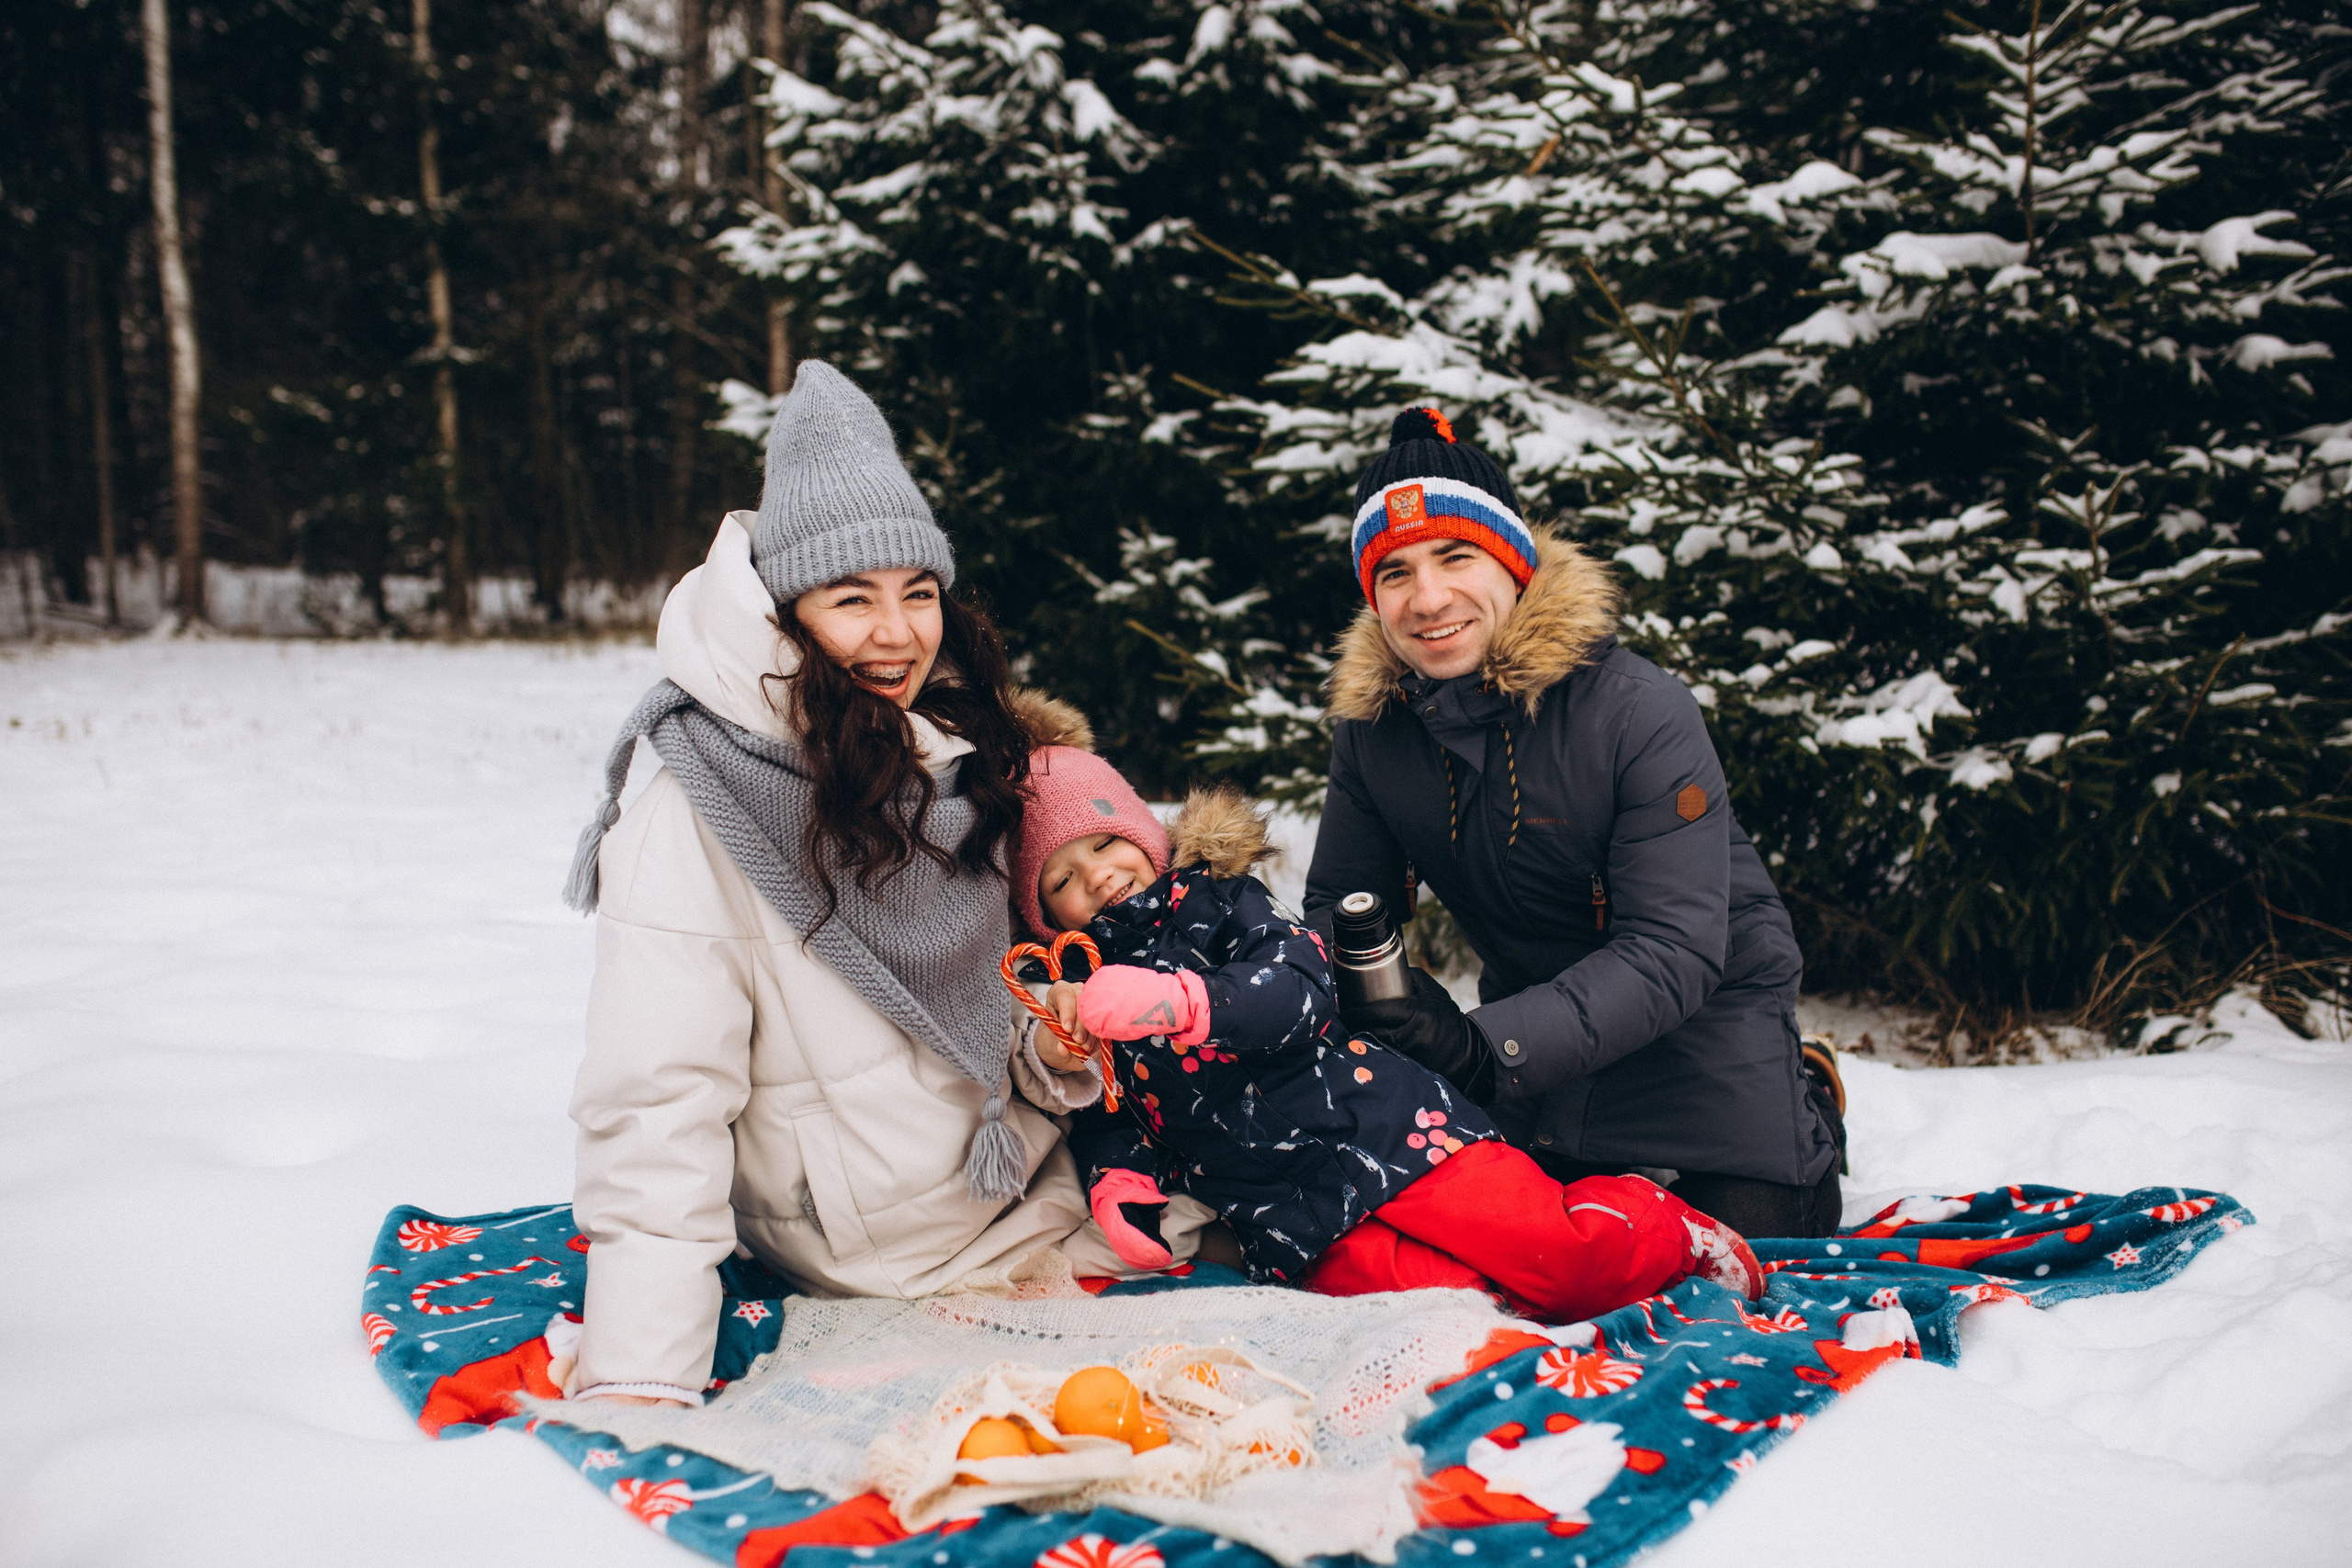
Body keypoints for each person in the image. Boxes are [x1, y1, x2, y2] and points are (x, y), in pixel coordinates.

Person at [555, 364, 1148, 1409]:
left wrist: (1045, 1047)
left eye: (918, 592)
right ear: (785, 612)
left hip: (1029, 1191)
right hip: (882, 1256)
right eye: (852, 598)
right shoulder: (701, 811)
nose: (898, 633)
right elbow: (656, 1106)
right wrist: (643, 1376)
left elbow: (960, 1002)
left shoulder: (944, 749)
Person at [1007, 712, 1767, 1324]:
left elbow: (1298, 988)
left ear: (1143, 831)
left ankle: (1663, 1225)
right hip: (1289, 1209)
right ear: (1042, 913)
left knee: (1557, 1256)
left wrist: (1186, 1002)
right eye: (1063, 878)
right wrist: (1120, 1181)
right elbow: (1108, 1105)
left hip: (1390, 1134)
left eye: (1105, 842)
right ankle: (1526, 1306)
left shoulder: (1217, 902)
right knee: (1449, 1304)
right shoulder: (1078, 992)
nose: (1097, 875)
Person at [1304, 406, 1846, 1239]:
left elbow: (1674, 949)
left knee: (1729, 1241)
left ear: (1513, 562)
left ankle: (1807, 1092)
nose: (1429, 598)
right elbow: (1338, 904)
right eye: (1396, 572)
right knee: (1517, 1241)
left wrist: (1483, 1048)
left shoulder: (1638, 711)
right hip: (1536, 1048)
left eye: (1455, 556)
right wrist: (1395, 1005)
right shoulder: (1374, 732)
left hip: (1705, 1029)